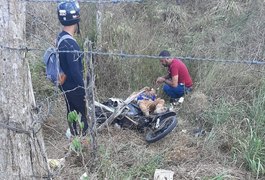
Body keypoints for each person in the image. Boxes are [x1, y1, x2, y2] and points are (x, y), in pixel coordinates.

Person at [57, 0, 88, 136]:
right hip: (75, 87)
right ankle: (82, 141)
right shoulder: (70, 44)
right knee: (83, 116)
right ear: (76, 18)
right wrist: (84, 88)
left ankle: (75, 137)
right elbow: (75, 72)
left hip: (65, 86)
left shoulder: (60, 38)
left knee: (71, 113)